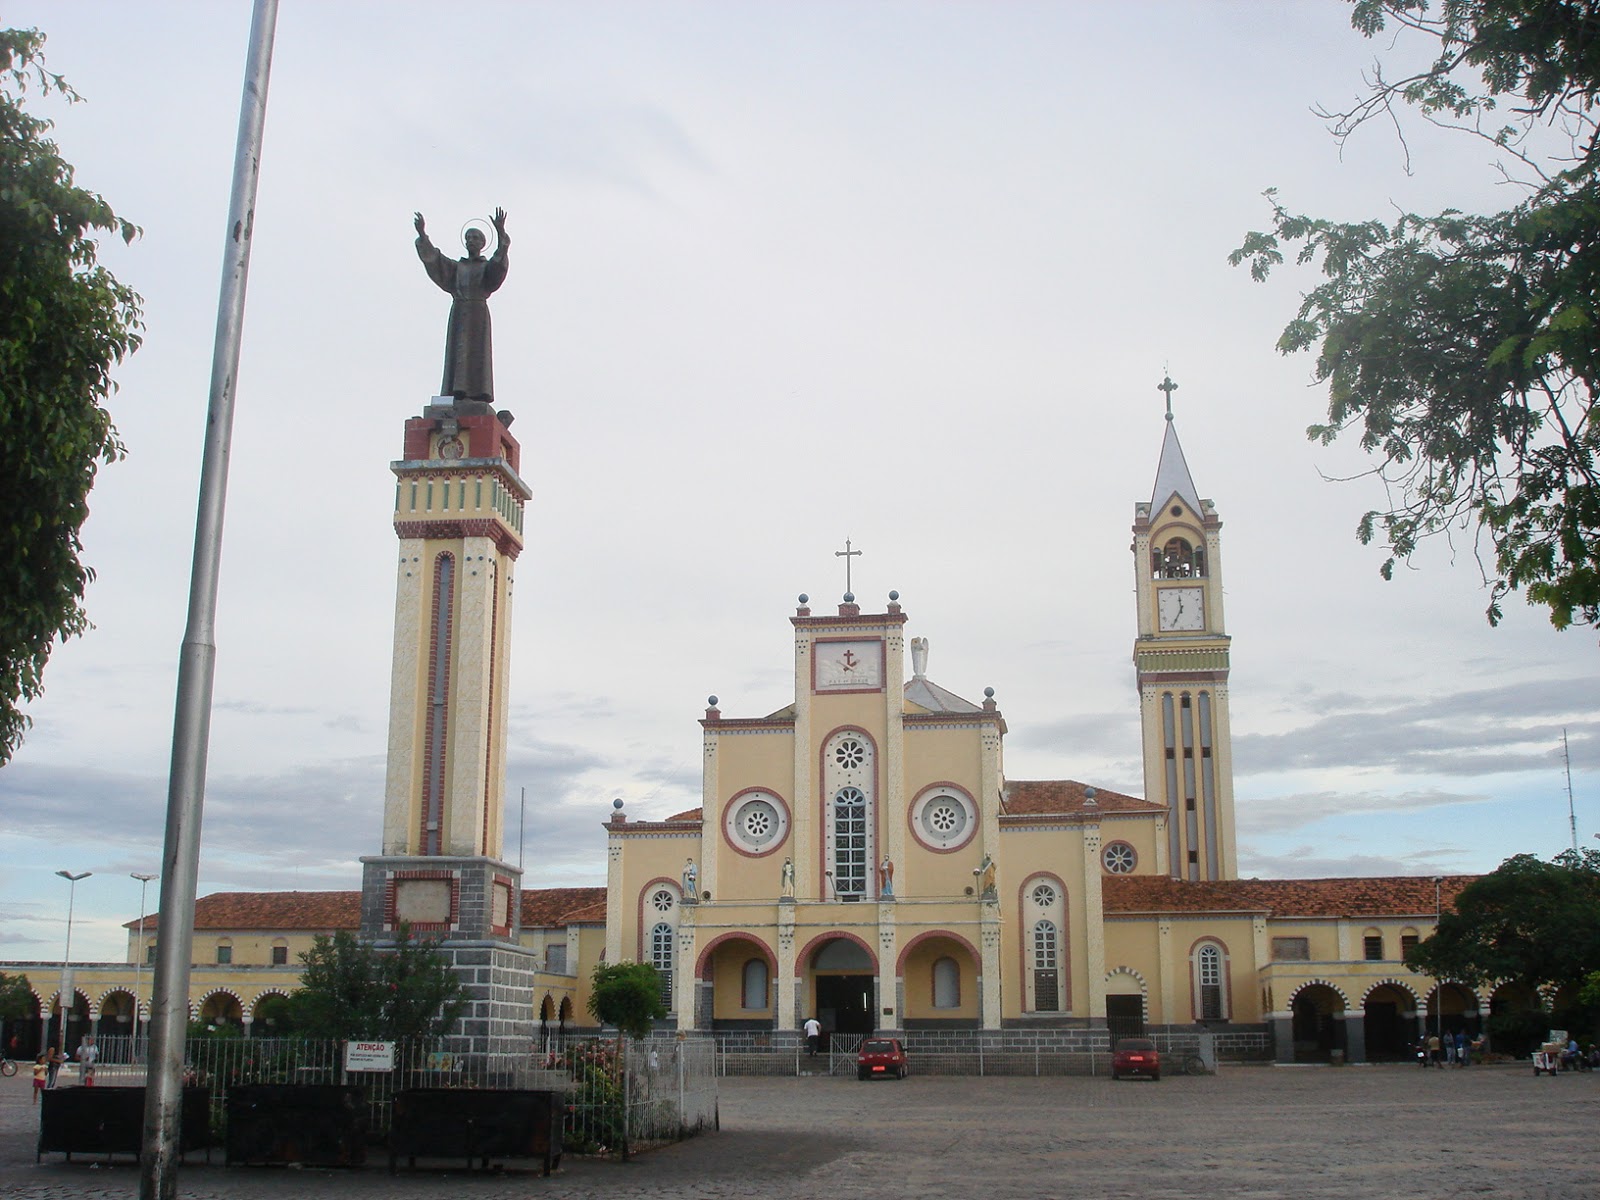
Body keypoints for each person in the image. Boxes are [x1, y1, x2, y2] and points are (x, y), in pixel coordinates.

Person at [413, 208, 510, 403]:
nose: (471, 241)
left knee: (476, 353)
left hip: (478, 314)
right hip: (459, 311)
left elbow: (498, 265)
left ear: (482, 244)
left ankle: (477, 393)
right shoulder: (457, 268)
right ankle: (454, 393)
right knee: (457, 352)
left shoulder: (486, 267)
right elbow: (435, 259)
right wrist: (422, 234)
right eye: (469, 238)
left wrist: (501, 234)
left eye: (476, 238)